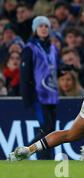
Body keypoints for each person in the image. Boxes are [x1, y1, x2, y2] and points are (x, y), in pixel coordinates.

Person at [19, 16, 60, 159]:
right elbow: (25, 75)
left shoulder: (53, 48)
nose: (44, 28)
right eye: (40, 26)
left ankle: (46, 159)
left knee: (50, 130)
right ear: (35, 29)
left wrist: (64, 68)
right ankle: (23, 153)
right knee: (47, 129)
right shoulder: (29, 48)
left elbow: (53, 70)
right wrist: (27, 98)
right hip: (38, 95)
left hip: (52, 95)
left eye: (46, 26)